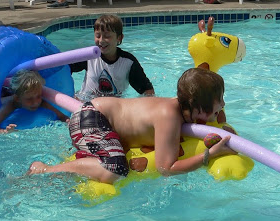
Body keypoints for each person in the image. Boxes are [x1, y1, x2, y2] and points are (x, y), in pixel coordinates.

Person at [28, 68, 235, 184]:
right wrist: (209, 155)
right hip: (91, 118)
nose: (223, 104)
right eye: (219, 99)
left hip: (96, 117)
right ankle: (44, 169)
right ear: (198, 106)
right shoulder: (169, 116)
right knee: (115, 170)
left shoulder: (181, 109)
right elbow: (166, 168)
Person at [70, 15, 154, 100]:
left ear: (119, 38)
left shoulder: (128, 62)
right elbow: (65, 67)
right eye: (98, 36)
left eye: (107, 36)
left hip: (113, 106)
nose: (101, 41)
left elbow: (148, 90)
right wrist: (71, 95)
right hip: (85, 103)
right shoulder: (89, 56)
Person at [0, 69, 67, 133]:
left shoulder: (40, 101)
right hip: (3, 94)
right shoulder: (10, 105)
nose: (35, 102)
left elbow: (62, 116)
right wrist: (5, 132)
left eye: (38, 96)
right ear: (17, 98)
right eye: (29, 99)